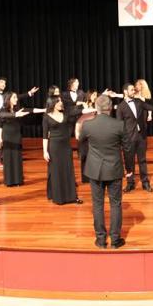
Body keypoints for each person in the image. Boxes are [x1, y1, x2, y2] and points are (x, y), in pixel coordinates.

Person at [78, 95, 131, 249]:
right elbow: (127, 149)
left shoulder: (87, 125)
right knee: (115, 204)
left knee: (97, 205)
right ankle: (115, 240)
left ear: (96, 107)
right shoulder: (119, 125)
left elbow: (80, 142)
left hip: (95, 170)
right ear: (110, 107)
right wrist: (129, 170)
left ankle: (101, 240)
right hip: (114, 169)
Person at [43, 95, 94, 204]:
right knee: (56, 171)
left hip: (66, 146)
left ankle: (72, 196)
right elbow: (45, 136)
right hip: (54, 147)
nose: (61, 102)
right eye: (58, 101)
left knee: (68, 170)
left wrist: (95, 108)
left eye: (61, 100)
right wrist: (45, 151)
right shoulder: (47, 117)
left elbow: (82, 111)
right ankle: (58, 197)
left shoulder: (66, 113)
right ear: (53, 103)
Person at [0, 76, 39, 169]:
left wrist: (29, 93)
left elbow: (18, 97)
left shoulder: (7, 95)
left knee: (0, 141)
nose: (3, 85)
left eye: (5, 83)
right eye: (1, 82)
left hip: (4, 120)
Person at [0, 92, 45, 186]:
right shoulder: (3, 109)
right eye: (14, 97)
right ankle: (9, 181)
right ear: (8, 99)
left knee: (17, 157)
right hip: (7, 135)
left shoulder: (17, 109)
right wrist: (0, 138)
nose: (16, 99)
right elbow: (0, 125)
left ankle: (17, 180)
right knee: (8, 158)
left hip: (16, 135)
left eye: (16, 97)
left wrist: (44, 110)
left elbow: (31, 110)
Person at [112, 83, 153, 193]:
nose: (134, 91)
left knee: (142, 160)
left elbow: (152, 107)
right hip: (128, 139)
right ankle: (130, 183)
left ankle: (145, 183)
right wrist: (121, 140)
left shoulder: (139, 102)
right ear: (125, 92)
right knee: (129, 162)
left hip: (141, 137)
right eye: (131, 90)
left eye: (134, 89)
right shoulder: (121, 107)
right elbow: (119, 125)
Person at [75, 90, 99, 184]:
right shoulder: (83, 105)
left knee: (94, 155)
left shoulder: (96, 105)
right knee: (84, 155)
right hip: (83, 130)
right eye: (94, 95)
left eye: (96, 95)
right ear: (89, 95)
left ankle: (95, 176)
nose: (95, 96)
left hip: (94, 132)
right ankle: (85, 178)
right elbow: (79, 119)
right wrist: (77, 132)